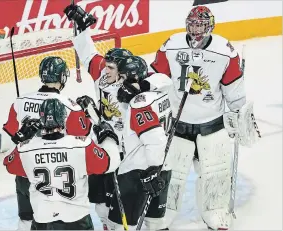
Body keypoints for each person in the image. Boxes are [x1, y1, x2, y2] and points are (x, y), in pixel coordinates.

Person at [149, 5, 260, 230]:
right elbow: (157, 80)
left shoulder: (224, 51)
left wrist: (240, 114)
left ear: (210, 26)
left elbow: (234, 89)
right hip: (177, 125)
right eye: (192, 24)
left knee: (216, 172)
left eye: (200, 25)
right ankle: (162, 214)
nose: (195, 30)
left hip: (211, 124)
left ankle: (216, 212)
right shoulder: (171, 45)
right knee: (172, 174)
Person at [64, 5, 173, 229]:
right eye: (106, 66)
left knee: (128, 206)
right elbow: (87, 54)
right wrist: (82, 29)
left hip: (130, 150)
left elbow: (165, 80)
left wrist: (142, 85)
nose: (105, 70)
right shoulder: (102, 75)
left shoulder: (139, 86)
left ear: (124, 72)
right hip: (106, 143)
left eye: (111, 68)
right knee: (102, 205)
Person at [2, 56, 92, 230]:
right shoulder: (69, 105)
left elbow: (14, 134)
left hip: (26, 169)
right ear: (62, 77)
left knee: (26, 219)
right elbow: (81, 139)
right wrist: (86, 115)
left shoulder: (19, 102)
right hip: (57, 176)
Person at [3, 98, 121, 230]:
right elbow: (113, 163)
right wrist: (108, 138)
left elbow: (8, 163)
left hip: (43, 221)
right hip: (77, 220)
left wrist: (19, 139)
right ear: (64, 118)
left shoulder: (25, 149)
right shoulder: (81, 145)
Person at [101, 55, 172, 230]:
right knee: (155, 223)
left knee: (119, 225)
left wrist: (152, 171)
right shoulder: (161, 92)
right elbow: (164, 79)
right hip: (164, 166)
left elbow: (155, 139)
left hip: (140, 172)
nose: (120, 81)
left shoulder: (139, 104)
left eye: (123, 77)